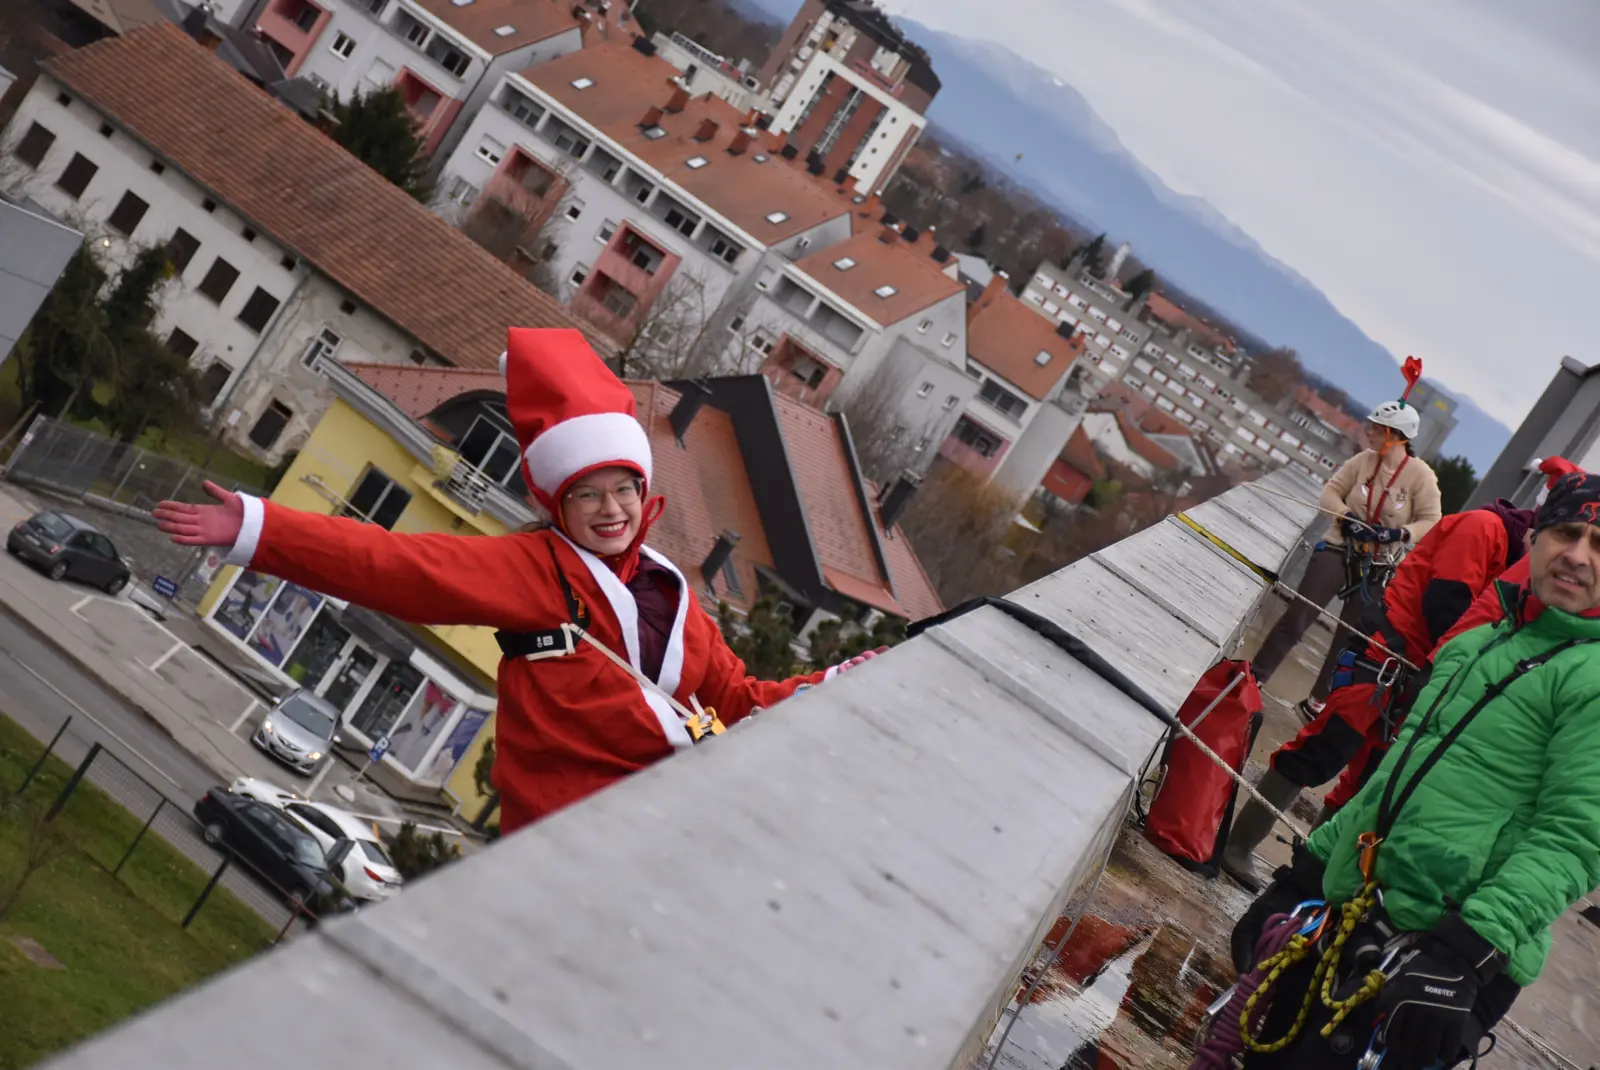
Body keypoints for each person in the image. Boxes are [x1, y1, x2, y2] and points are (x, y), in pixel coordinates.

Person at [154, 329, 880, 834]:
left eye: (622, 489)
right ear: (557, 502)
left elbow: (740, 703)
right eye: (585, 493)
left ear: (645, 492)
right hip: (562, 841)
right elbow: (395, 566)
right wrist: (262, 529)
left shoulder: (671, 592)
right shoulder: (533, 569)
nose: (610, 510)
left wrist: (847, 679)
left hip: (658, 830)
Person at [1229, 468, 1600, 1070]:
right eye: (1567, 533)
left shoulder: (1591, 679)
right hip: (1362, 910)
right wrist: (1307, 874)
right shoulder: (1479, 644)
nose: (1579, 556)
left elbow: (1575, 839)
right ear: (1534, 539)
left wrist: (1468, 951)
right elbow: (1391, 779)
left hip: (1442, 954)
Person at [1220, 497, 1534, 889]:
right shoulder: (1483, 528)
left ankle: (1309, 875)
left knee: (1368, 783)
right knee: (1323, 748)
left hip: (1419, 674)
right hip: (1385, 656)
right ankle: (1238, 845)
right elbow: (1446, 604)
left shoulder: (1519, 562)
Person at [1249, 402, 1441, 717]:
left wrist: (1399, 534)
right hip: (1340, 545)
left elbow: (1432, 521)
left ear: (1395, 435)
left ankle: (1317, 700)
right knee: (1299, 613)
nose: (1369, 432)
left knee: (1348, 636)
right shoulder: (1363, 461)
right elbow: (1331, 492)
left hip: (1377, 565)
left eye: (1377, 429)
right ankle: (1255, 676)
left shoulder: (1421, 476)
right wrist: (1345, 516)